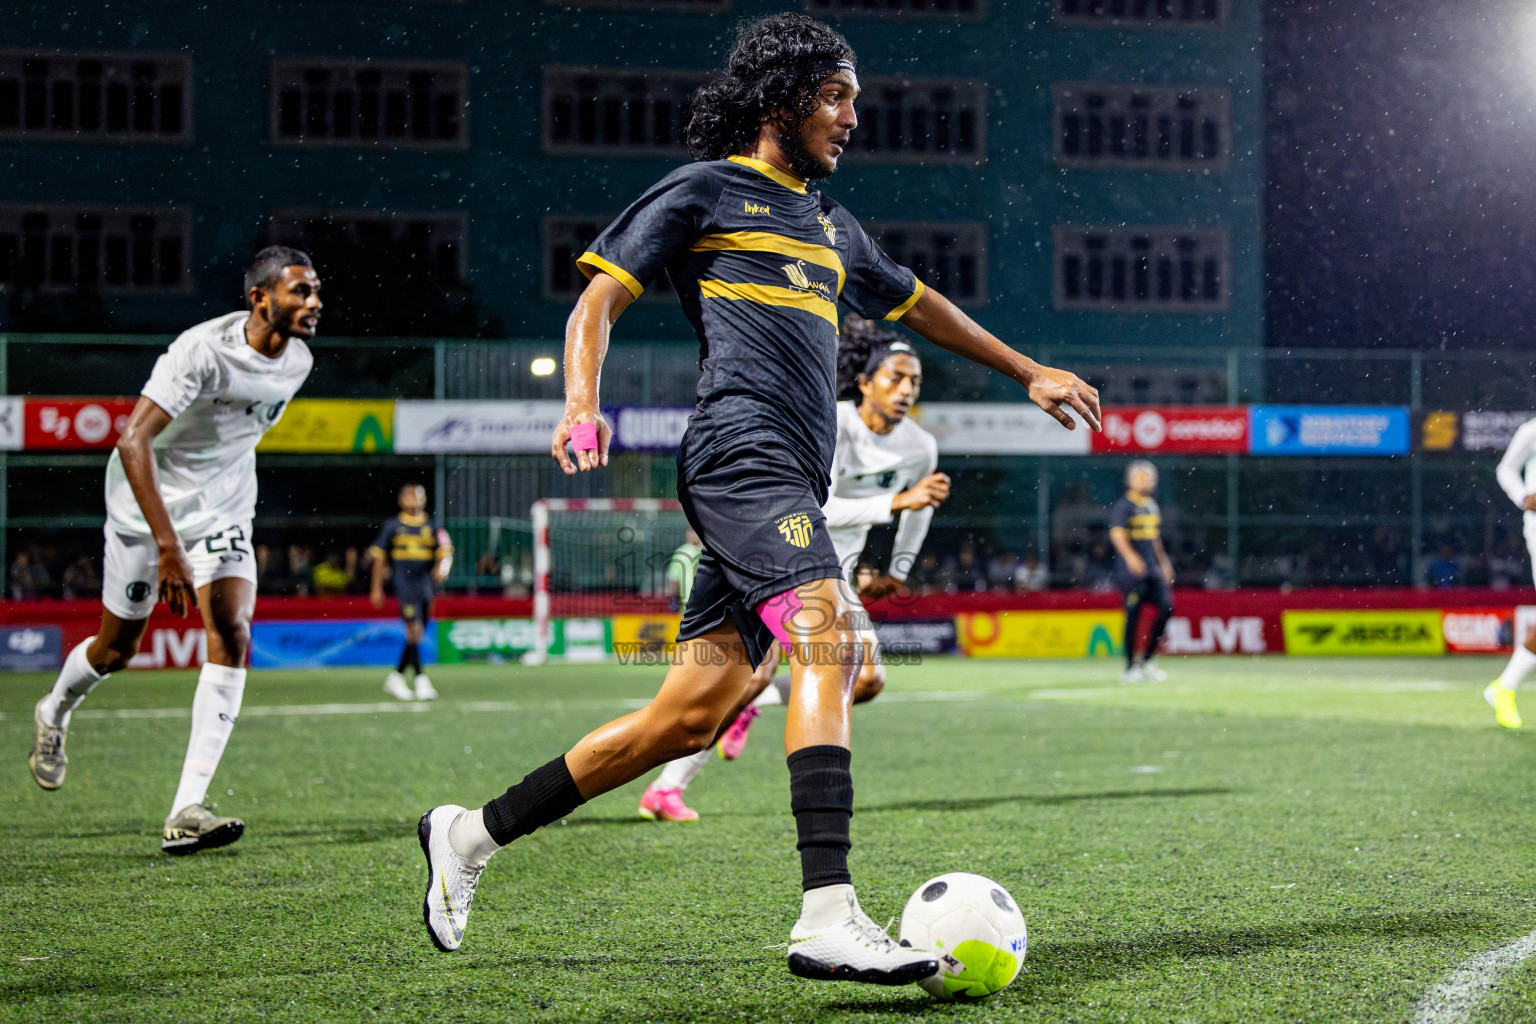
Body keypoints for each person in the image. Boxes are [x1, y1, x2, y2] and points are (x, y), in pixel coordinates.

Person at [414, 14, 1099, 986]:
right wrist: (580, 402)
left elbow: (919, 303)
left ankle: (470, 834)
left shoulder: (832, 225)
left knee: (682, 722)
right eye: (836, 95)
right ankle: (829, 910)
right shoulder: (706, 191)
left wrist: (1027, 368)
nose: (854, 117)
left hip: (790, 481)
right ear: (780, 98)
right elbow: (598, 299)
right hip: (740, 457)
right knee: (828, 631)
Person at [27, 246, 318, 854]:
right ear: (260, 298)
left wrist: (209, 521)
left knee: (232, 631)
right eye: (300, 291)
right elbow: (134, 441)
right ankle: (54, 711)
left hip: (224, 510)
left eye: (315, 290)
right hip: (144, 510)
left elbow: (233, 441)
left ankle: (187, 808)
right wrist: (167, 546)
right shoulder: (200, 351)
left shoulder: (299, 362)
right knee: (116, 649)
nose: (314, 303)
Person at [637, 316, 949, 821]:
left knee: (867, 681)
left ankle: (753, 707)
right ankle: (666, 789)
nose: (906, 389)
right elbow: (813, 507)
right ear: (865, 382)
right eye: (895, 377)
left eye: (914, 380)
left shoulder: (919, 446)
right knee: (746, 678)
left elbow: (923, 504)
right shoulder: (833, 423)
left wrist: (901, 568)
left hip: (834, 570)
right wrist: (895, 501)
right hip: (784, 553)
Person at [370, 482, 452, 702]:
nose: (414, 498)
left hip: (425, 585)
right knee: (413, 630)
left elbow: (446, 551)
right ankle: (420, 679)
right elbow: (379, 557)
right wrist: (376, 587)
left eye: (418, 494)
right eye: (409, 495)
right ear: (401, 500)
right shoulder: (393, 526)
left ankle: (396, 676)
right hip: (404, 583)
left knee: (417, 634)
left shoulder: (432, 526)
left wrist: (441, 569)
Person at [1483, 417, 1536, 728]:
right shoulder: (1531, 430)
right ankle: (1504, 688)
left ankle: (1504, 687)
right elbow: (1505, 469)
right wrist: (1522, 496)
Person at [1110, 460, 1175, 684]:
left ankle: (1146, 660)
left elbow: (1154, 539)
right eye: (1140, 477)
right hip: (1132, 573)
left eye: (1147, 477)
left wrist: (1164, 562)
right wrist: (1130, 557)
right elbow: (1117, 535)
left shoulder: (1151, 505)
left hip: (1152, 571)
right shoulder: (1124, 506)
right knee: (1133, 617)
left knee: (1167, 607)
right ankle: (1130, 667)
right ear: (1130, 480)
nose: (1145, 481)